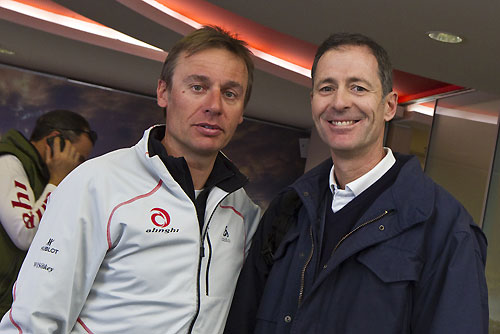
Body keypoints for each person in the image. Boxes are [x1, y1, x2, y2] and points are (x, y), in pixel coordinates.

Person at [0, 25, 261, 334]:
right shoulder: (97, 184)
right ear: (163, 92)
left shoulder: (244, 213)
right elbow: (33, 321)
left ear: (242, 110)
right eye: (198, 87)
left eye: (230, 93)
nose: (214, 106)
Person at [224, 33, 488, 334]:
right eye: (327, 88)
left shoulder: (444, 227)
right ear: (313, 103)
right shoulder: (287, 210)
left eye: (358, 88)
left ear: (389, 106)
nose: (340, 102)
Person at [0, 109, 96, 316]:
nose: (76, 167)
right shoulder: (8, 161)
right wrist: (57, 181)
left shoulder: (39, 176)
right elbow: (25, 233)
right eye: (77, 158)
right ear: (54, 140)